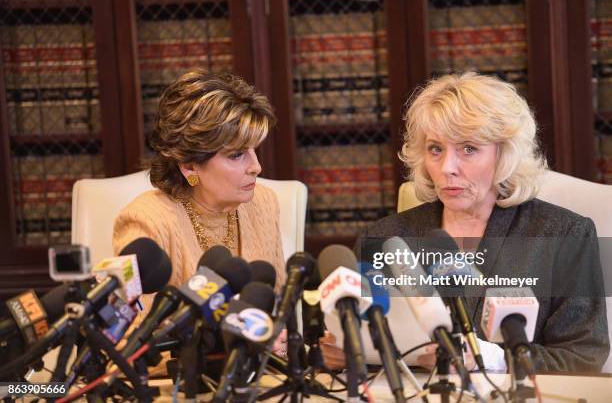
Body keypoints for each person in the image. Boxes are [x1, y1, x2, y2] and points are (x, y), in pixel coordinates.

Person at [322, 72, 609, 373]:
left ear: (504, 154)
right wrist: (346, 354)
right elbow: (362, 341)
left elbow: (583, 355)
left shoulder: (563, 234)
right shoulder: (383, 237)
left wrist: (493, 359)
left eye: (468, 149)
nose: (447, 167)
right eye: (436, 149)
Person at [113, 70, 287, 355]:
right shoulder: (145, 220)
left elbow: (277, 309)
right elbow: (129, 345)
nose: (257, 167)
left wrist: (277, 336)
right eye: (237, 155)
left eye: (255, 150)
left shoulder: (264, 203)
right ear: (189, 165)